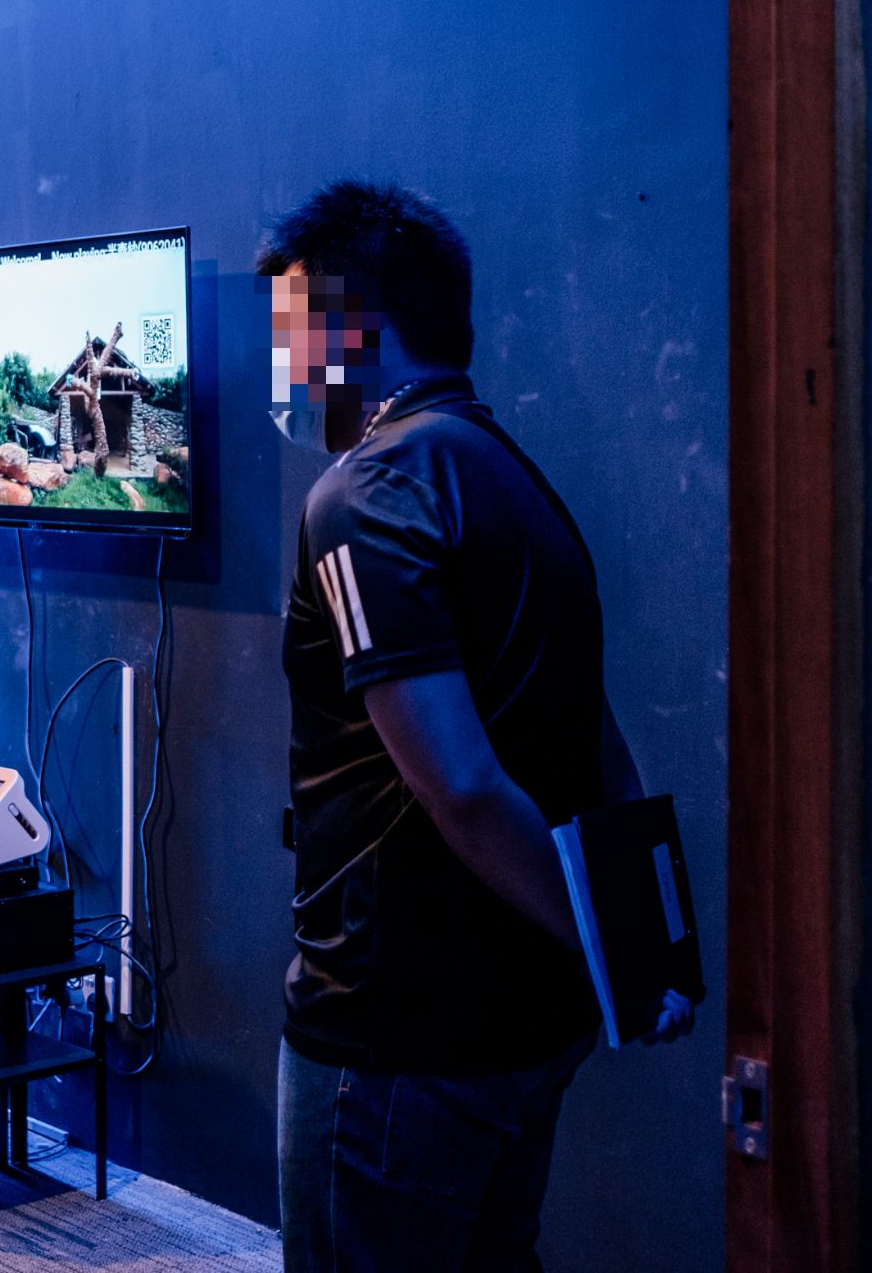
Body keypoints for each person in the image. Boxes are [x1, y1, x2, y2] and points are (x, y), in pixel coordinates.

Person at [263, 181, 693, 1272]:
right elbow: (594, 735)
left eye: (294, 334)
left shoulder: (362, 494)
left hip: (394, 1037)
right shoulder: (515, 482)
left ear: (353, 328)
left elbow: (455, 784)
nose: (285, 371)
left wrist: (599, 949)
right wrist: (630, 953)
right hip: (522, 1030)